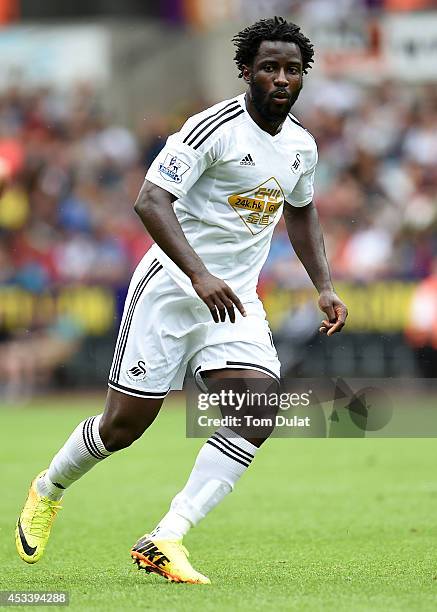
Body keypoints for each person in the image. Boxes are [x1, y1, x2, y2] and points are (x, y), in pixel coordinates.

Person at [15, 17, 348, 584]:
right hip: (171, 291)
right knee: (123, 427)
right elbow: (150, 201)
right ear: (246, 71)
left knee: (258, 408)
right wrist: (198, 274)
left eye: (293, 70)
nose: (282, 79)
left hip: (235, 301)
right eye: (269, 67)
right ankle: (48, 487)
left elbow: (301, 209)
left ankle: (166, 536)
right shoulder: (211, 128)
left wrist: (323, 284)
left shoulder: (300, 147)